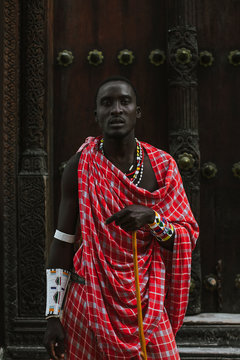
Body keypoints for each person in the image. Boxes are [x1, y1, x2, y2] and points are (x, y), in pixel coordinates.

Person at [43, 76, 199, 360]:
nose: (116, 109)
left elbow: (184, 236)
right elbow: (63, 240)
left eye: (124, 102)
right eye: (107, 103)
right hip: (89, 298)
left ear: (137, 111)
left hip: (145, 300)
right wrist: (53, 315)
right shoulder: (80, 165)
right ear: (96, 114)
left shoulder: (163, 166)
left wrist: (153, 219)